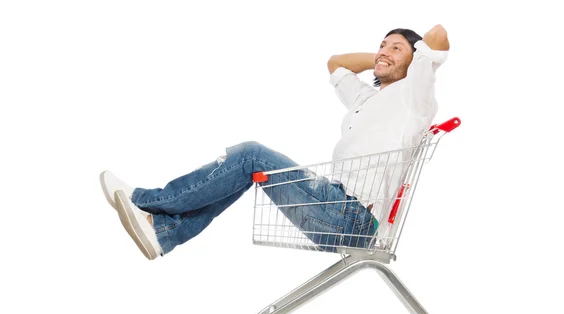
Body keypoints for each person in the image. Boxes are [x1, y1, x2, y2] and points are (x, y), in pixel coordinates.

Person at [100, 25, 450, 260]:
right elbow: (336, 64)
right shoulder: (366, 99)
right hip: (335, 205)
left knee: (252, 156)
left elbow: (437, 36)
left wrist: (413, 56)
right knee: (248, 170)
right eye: (381, 45)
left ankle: (146, 201)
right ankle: (163, 232)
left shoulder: (414, 96)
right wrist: (385, 58)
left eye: (396, 48)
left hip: (351, 215)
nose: (384, 51)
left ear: (416, 59)